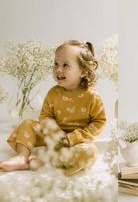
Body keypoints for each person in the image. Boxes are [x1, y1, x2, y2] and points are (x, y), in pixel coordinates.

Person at [0, 40, 106, 175]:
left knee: (90, 152)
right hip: (53, 137)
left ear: (83, 71)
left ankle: (49, 160)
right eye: (56, 64)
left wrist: (73, 138)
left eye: (65, 65)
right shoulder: (53, 93)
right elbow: (45, 116)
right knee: (27, 124)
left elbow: (99, 122)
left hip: (76, 143)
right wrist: (54, 134)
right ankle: (22, 157)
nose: (58, 69)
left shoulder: (92, 97)